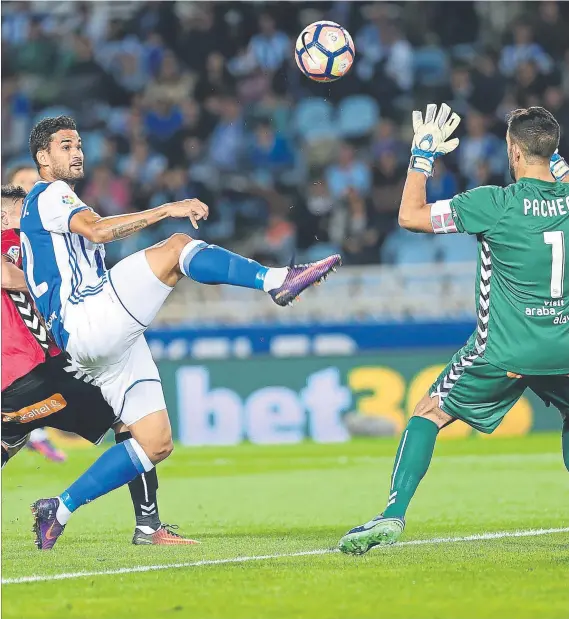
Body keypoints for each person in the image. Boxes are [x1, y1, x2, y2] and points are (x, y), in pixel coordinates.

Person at [20, 115, 340, 550]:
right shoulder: (49, 193)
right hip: (86, 318)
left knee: (155, 442)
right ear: (43, 157)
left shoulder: (59, 204)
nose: (77, 152)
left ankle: (58, 509)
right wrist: (167, 208)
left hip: (99, 342)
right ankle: (276, 280)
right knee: (175, 247)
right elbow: (97, 229)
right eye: (64, 146)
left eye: (78, 144)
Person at [339, 104, 569, 555]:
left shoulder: (492, 204)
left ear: (513, 150)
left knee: (429, 411)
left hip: (503, 351)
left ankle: (392, 513)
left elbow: (410, 216)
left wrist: (421, 154)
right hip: (563, 347)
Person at [1, 184, 196, 546]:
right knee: (133, 425)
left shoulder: (36, 243)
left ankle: (145, 526)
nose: (26, 218)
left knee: (8, 439)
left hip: (41, 374)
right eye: (18, 212)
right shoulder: (16, 242)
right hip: (32, 373)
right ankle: (147, 526)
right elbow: (8, 277)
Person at [6, 165, 67, 462]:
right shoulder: (8, 237)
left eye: (36, 184)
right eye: (23, 185)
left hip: (40, 347)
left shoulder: (51, 234)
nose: (32, 190)